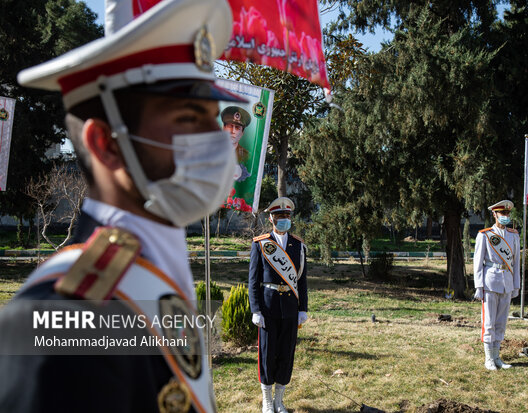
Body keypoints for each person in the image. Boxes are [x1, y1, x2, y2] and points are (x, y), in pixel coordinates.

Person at [0, 0, 245, 411]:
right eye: (189, 119)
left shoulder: (149, 269)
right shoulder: (66, 327)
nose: (219, 141)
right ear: (106, 144)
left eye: (213, 119)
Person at [248, 197, 308, 413]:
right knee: (267, 352)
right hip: (267, 308)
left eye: (287, 216)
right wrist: (255, 309)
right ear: (271, 218)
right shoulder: (260, 244)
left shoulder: (298, 245)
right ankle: (266, 400)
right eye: (280, 216)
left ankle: (279, 401)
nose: (284, 220)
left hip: (290, 308)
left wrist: (303, 309)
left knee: (286, 353)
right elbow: (253, 281)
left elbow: (301, 280)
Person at [473, 200, 520, 371]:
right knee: (489, 322)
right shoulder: (485, 235)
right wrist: (478, 286)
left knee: (501, 322)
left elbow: (516, 263)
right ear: (494, 214)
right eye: (502, 213)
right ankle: (488, 358)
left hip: (507, 282)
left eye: (507, 214)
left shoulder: (514, 235)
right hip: (490, 282)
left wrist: (516, 285)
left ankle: (497, 357)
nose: (505, 216)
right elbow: (478, 262)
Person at [221, 105, 252, 181]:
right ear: (224, 128)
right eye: (230, 126)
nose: (233, 131)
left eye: (237, 128)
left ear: (242, 133)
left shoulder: (247, 156)